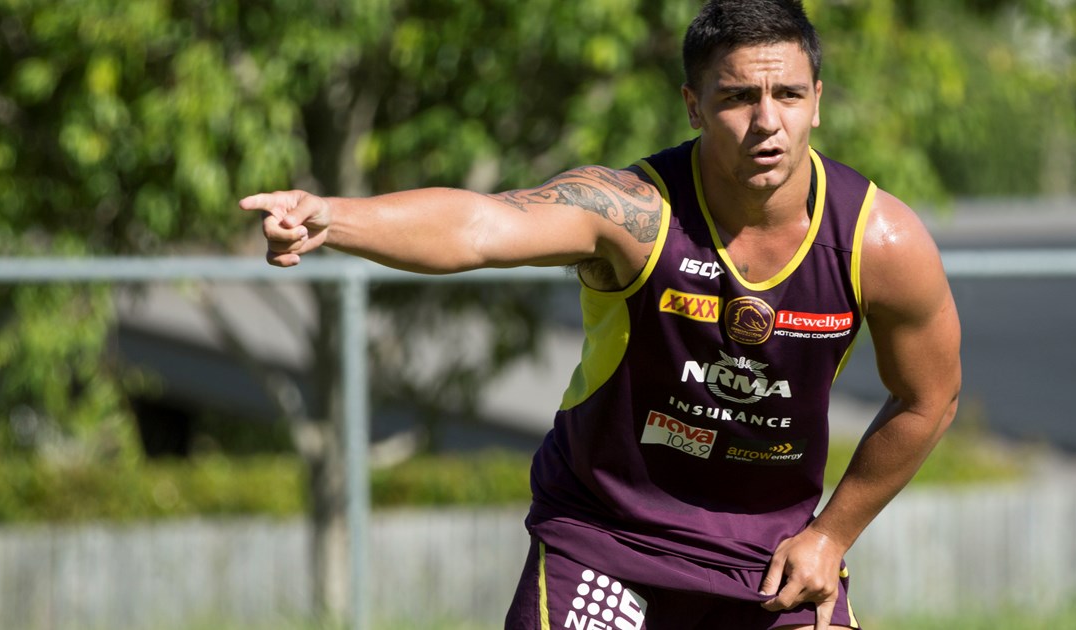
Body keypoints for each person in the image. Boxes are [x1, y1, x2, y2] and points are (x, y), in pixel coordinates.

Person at [240, 1, 960, 627]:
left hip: (768, 559)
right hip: (607, 539)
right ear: (693, 104)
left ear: (819, 99)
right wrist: (332, 218)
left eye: (788, 95)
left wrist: (832, 536)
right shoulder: (637, 213)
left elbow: (930, 396)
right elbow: (482, 227)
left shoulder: (877, 241)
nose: (766, 122)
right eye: (738, 97)